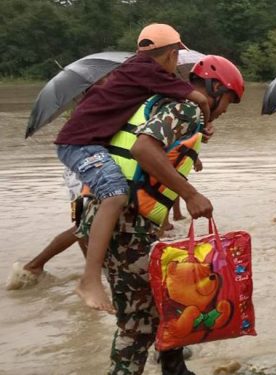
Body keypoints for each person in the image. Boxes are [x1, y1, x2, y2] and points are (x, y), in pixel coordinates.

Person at [76, 54, 244, 374]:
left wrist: (189, 148)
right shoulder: (187, 106)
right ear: (216, 89)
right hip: (126, 223)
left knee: (160, 301)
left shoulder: (167, 101)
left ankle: (174, 367)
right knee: (136, 325)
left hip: (114, 216)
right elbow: (143, 149)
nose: (224, 111)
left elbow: (148, 147)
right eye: (228, 103)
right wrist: (190, 194)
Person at [54, 23, 212, 313]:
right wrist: (206, 120)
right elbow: (199, 97)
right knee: (115, 194)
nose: (176, 65)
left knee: (108, 200)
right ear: (172, 55)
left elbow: (145, 125)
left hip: (90, 142)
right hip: (80, 145)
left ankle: (93, 276)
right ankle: (89, 279)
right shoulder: (149, 71)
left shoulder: (135, 70)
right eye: (176, 58)